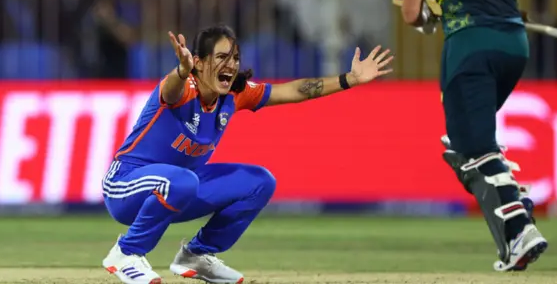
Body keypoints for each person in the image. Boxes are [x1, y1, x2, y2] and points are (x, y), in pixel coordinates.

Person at [100, 24, 394, 284]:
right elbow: (171, 90)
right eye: (221, 57)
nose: (231, 64)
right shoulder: (184, 87)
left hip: (178, 189)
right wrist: (181, 69)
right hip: (125, 187)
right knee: (183, 181)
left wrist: (349, 79)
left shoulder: (235, 94)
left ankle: (196, 256)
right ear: (199, 64)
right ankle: (126, 253)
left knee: (259, 182)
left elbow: (295, 90)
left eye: (235, 58)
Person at [399, 0, 557, 272]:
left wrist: (428, 16)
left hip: (468, 46)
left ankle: (520, 227)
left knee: (471, 148)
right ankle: (516, 220)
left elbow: (409, 11)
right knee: (470, 144)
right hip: (513, 47)